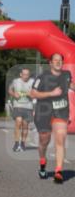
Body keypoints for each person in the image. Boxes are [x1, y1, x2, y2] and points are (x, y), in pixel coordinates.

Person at [30, 52, 72, 183]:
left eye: (60, 60)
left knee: (60, 139)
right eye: (56, 60)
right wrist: (51, 93)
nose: (58, 62)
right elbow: (32, 93)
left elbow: (70, 86)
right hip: (44, 111)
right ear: (50, 63)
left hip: (61, 111)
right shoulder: (42, 77)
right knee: (44, 140)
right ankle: (42, 162)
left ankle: (58, 171)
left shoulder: (66, 75)